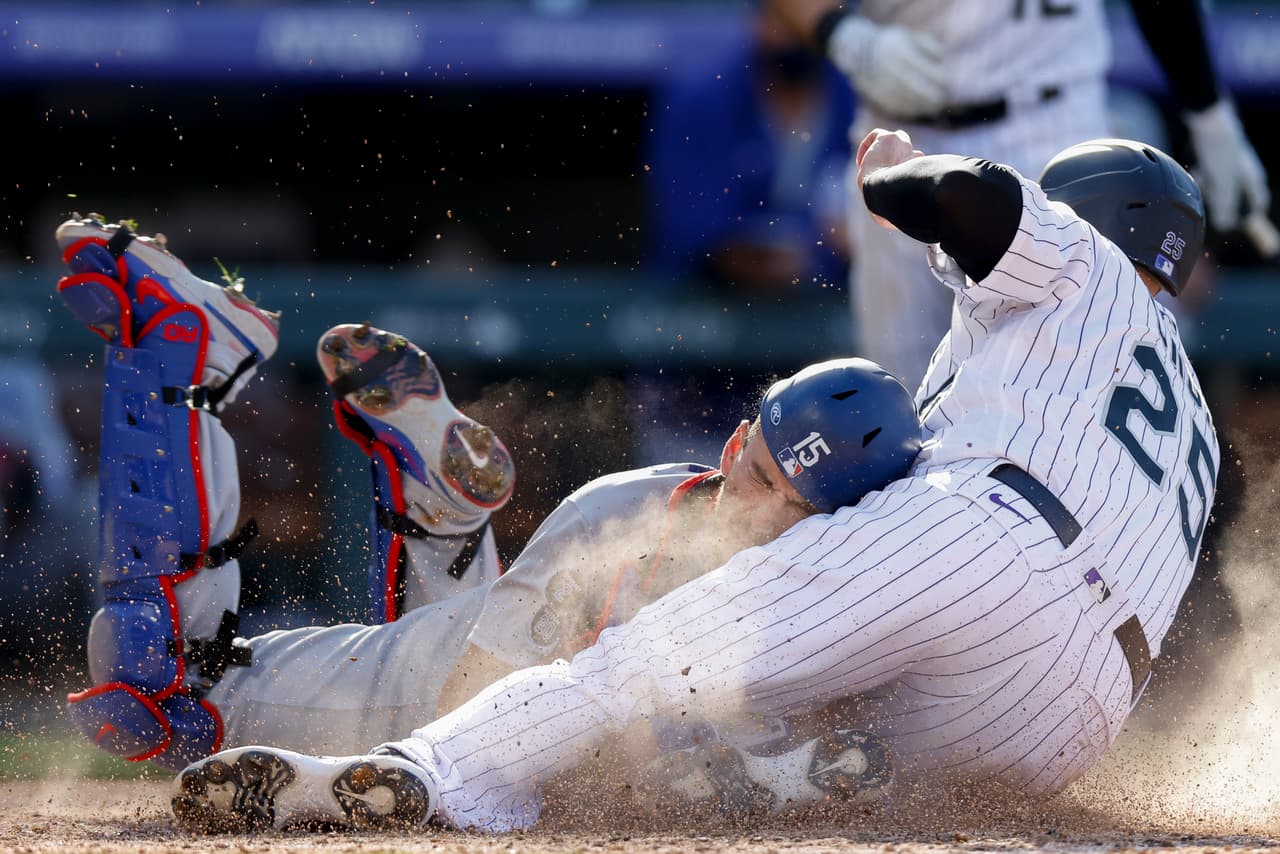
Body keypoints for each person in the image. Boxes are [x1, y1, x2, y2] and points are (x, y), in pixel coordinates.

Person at [171, 129, 1220, 834]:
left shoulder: (1080, 262)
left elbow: (970, 197)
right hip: (1068, 715)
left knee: (640, 666)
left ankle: (428, 771)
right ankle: (760, 768)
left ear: (1092, 216)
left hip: (992, 535)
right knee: (772, 763)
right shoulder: (1196, 425)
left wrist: (885, 176)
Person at [53, 214, 921, 794]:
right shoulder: (623, 519)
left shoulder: (848, 589)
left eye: (794, 505)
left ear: (840, 527)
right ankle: (183, 353)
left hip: (481, 656)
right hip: (411, 694)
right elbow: (480, 719)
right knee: (147, 676)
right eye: (758, 471)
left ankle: (444, 523)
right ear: (735, 443)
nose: (757, 504)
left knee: (514, 672)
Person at [766, 0, 1272, 390]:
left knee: (1095, 375)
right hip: (903, 134)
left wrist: (1210, 116)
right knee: (904, 392)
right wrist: (846, 37)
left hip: (1055, 129)